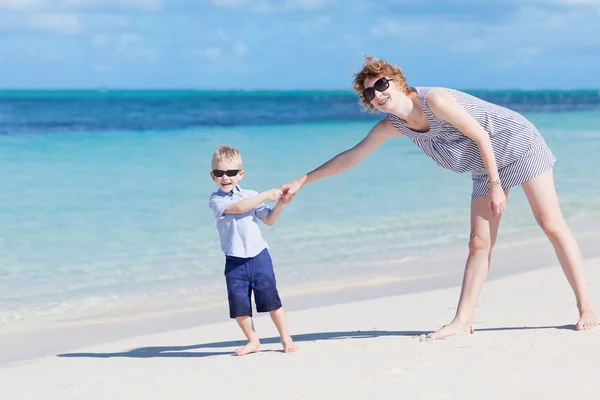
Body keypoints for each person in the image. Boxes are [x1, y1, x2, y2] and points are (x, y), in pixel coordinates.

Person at [280, 56, 598, 339]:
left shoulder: (435, 101)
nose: (377, 93)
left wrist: (496, 183)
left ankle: (586, 307)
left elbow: (481, 135)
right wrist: (304, 180)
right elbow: (351, 157)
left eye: (381, 83)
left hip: (516, 144)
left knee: (550, 224)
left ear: (398, 81)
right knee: (478, 242)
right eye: (369, 92)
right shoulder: (393, 126)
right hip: (483, 164)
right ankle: (463, 321)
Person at [209, 145, 297, 354]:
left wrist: (281, 203)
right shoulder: (216, 199)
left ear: (240, 174)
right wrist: (267, 194)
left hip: (259, 257)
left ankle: (285, 338)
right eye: (220, 173)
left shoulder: (251, 194)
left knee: (271, 301)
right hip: (234, 261)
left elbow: (269, 220)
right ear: (212, 175)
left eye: (231, 173)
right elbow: (239, 208)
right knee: (239, 306)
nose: (225, 178)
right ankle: (253, 341)